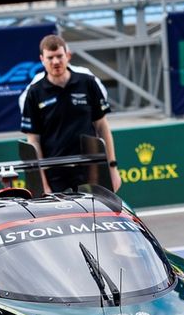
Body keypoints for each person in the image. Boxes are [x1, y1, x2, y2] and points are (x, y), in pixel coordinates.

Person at [20, 34, 122, 195]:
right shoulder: (34, 93)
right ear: (42, 59)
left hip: (91, 169)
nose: (55, 62)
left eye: (59, 56)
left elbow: (102, 127)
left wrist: (112, 168)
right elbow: (33, 141)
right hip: (55, 175)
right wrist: (43, 183)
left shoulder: (88, 82)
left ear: (68, 55)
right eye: (50, 57)